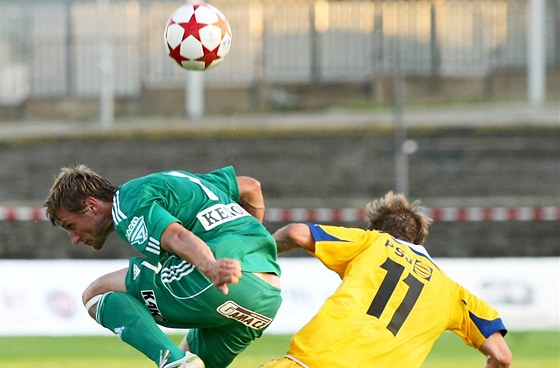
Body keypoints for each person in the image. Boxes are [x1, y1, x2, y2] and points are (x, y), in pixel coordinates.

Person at [44, 165, 282, 368]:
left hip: (216, 283)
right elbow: (251, 187)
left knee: (96, 294)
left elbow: (176, 237)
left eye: (70, 225)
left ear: (92, 205)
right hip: (266, 300)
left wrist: (211, 267)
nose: (74, 238)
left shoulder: (127, 202)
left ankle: (172, 362)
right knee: (192, 359)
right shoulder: (189, 182)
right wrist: (245, 249)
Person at [262, 191, 512, 368]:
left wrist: (260, 252)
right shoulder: (453, 294)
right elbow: (502, 357)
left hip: (310, 362)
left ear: (378, 230)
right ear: (418, 240)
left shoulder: (374, 242)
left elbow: (296, 232)